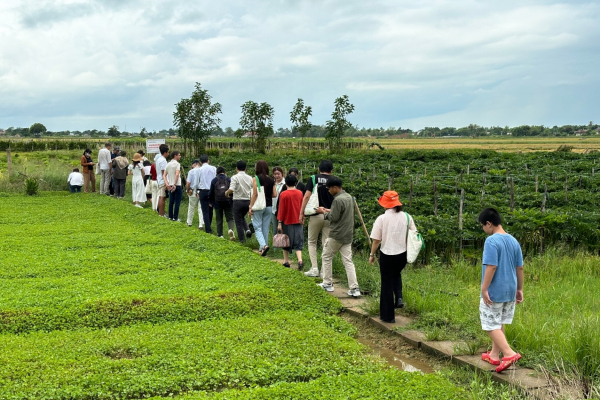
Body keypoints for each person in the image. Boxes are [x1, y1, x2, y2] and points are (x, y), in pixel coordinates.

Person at [478, 208, 523, 373]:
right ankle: (494, 355)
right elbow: (520, 267)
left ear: (489, 224)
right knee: (498, 321)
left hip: (495, 290)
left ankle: (509, 353)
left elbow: (492, 266)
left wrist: (484, 288)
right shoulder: (513, 241)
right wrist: (519, 289)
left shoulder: (491, 241)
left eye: (483, 226)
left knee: (489, 324)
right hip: (510, 289)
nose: (484, 229)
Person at [368, 191, 416, 323]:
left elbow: (376, 240)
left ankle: (388, 316)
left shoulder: (382, 219)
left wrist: (372, 255)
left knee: (386, 284)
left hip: (387, 255)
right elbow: (413, 234)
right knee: (396, 274)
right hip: (402, 255)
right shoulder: (407, 217)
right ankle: (399, 297)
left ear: (385, 204)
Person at [315, 176, 360, 297]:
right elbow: (340, 212)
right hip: (348, 234)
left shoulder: (337, 200)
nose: (329, 191)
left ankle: (327, 283)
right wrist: (328, 210)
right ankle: (354, 288)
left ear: (335, 188)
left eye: (330, 189)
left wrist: (323, 212)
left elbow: (333, 218)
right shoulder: (349, 197)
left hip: (336, 234)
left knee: (326, 256)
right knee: (348, 261)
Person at [300, 160, 334, 278]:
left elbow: (307, 196)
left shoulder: (314, 178)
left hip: (316, 214)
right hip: (330, 215)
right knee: (326, 243)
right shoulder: (334, 180)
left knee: (312, 241)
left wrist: (302, 212)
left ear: (319, 169)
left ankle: (314, 268)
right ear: (331, 170)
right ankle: (325, 271)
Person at [248, 160, 276, 256]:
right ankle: (263, 248)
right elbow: (275, 194)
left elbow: (255, 194)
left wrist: (250, 206)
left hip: (259, 206)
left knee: (257, 227)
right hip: (268, 206)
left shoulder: (255, 178)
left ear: (257, 168)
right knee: (265, 228)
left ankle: (263, 245)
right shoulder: (272, 179)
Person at [277, 174, 304, 269]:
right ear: (295, 182)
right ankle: (300, 260)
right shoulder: (300, 193)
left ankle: (286, 261)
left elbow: (281, 209)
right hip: (298, 220)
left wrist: (279, 222)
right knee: (298, 242)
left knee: (285, 241)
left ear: (286, 183)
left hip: (287, 221)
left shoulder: (283, 194)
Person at [225, 160, 253, 243]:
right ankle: (247, 230)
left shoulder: (235, 177)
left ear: (236, 168)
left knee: (238, 222)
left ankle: (242, 240)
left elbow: (231, 189)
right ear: (245, 168)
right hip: (248, 201)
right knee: (241, 217)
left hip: (237, 201)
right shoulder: (250, 178)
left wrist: (226, 193)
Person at [209, 166, 236, 240]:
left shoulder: (214, 180)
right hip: (228, 202)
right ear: (224, 172)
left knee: (219, 219)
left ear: (217, 173)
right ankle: (231, 229)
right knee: (230, 218)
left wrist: (210, 201)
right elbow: (232, 190)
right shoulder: (228, 179)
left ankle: (220, 235)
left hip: (217, 202)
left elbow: (211, 193)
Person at [197, 154, 217, 233]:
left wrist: (196, 190)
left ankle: (208, 229)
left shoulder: (199, 169)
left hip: (203, 191)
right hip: (212, 191)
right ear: (208, 160)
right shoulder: (213, 168)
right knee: (211, 209)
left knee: (205, 211)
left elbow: (197, 181)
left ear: (200, 162)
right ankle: (209, 225)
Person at [165, 150, 183, 221]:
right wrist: (175, 184)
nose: (180, 156)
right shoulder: (177, 164)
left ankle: (170, 216)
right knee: (177, 202)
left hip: (170, 184)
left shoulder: (168, 164)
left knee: (171, 202)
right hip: (177, 185)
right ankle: (175, 217)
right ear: (175, 156)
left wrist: (167, 184)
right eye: (179, 155)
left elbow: (164, 175)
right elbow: (177, 174)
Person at [186, 160, 202, 228]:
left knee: (191, 207)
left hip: (192, 191)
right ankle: (201, 224)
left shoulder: (191, 171)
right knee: (200, 208)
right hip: (201, 191)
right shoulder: (202, 170)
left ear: (195, 164)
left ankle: (189, 222)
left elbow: (188, 182)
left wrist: (187, 190)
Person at [154, 145, 169, 217]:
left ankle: (160, 212)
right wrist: (167, 182)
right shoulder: (163, 160)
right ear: (165, 152)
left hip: (159, 179)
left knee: (160, 197)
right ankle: (161, 213)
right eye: (168, 152)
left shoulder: (158, 159)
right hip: (163, 180)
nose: (168, 154)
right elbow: (164, 172)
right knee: (162, 197)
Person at [270, 166, 285, 239]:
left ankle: (284, 246)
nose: (276, 176)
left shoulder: (285, 183)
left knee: (283, 229)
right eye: (275, 174)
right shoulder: (272, 183)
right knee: (275, 229)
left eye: (278, 174)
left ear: (282, 174)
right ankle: (276, 247)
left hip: (283, 209)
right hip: (273, 209)